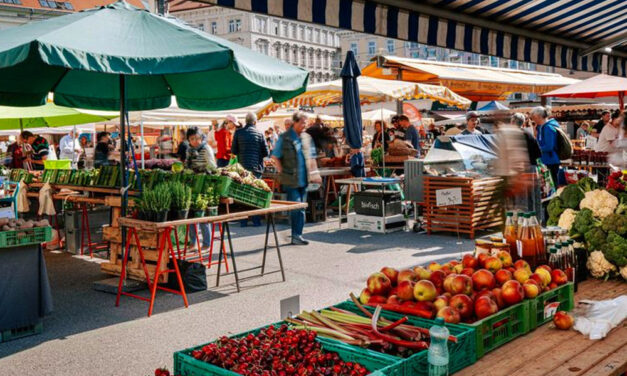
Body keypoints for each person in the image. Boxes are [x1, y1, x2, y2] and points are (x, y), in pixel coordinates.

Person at [271, 111, 321, 245]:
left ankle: (298, 234)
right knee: (297, 206)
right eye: (303, 122)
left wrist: (315, 173)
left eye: (306, 122)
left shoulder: (306, 137)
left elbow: (311, 157)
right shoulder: (284, 137)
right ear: (295, 122)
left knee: (302, 207)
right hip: (290, 179)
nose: (305, 125)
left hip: (303, 179)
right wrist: (281, 171)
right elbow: (275, 156)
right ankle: (296, 235)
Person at [231, 112, 269, 227]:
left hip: (242, 168)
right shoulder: (260, 133)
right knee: (255, 193)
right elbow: (266, 152)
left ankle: (243, 221)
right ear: (255, 122)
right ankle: (256, 220)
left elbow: (234, 150)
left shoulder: (238, 133)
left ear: (246, 121)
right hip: (256, 168)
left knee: (243, 194)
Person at [185, 126, 216, 250]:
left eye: (197, 138)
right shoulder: (189, 150)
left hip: (204, 184)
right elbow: (187, 164)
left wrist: (205, 172)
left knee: (201, 213)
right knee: (192, 213)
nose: (195, 141)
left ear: (201, 137)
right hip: (192, 184)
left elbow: (212, 166)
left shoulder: (206, 148)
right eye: (192, 139)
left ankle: (206, 243)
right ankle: (193, 242)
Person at [530, 106, 560, 186]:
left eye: (534, 118)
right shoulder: (542, 127)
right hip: (547, 160)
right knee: (548, 186)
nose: (533, 120)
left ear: (539, 117)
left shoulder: (548, 128)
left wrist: (536, 150)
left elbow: (549, 146)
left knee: (552, 184)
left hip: (550, 161)